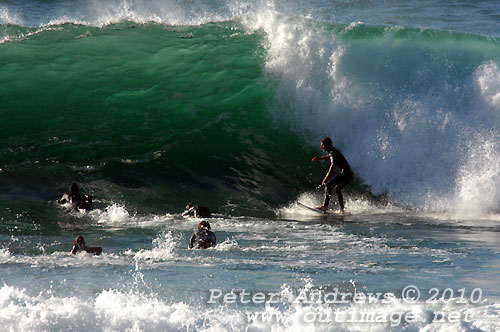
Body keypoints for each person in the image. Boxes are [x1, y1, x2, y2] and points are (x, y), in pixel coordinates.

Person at [312, 136, 354, 215]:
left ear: (327, 145)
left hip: (347, 173)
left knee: (329, 185)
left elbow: (333, 165)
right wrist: (320, 158)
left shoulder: (333, 153)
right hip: (348, 173)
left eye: (322, 145)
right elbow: (329, 157)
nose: (321, 146)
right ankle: (342, 210)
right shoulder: (333, 152)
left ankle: (325, 206)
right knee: (337, 188)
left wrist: (326, 178)